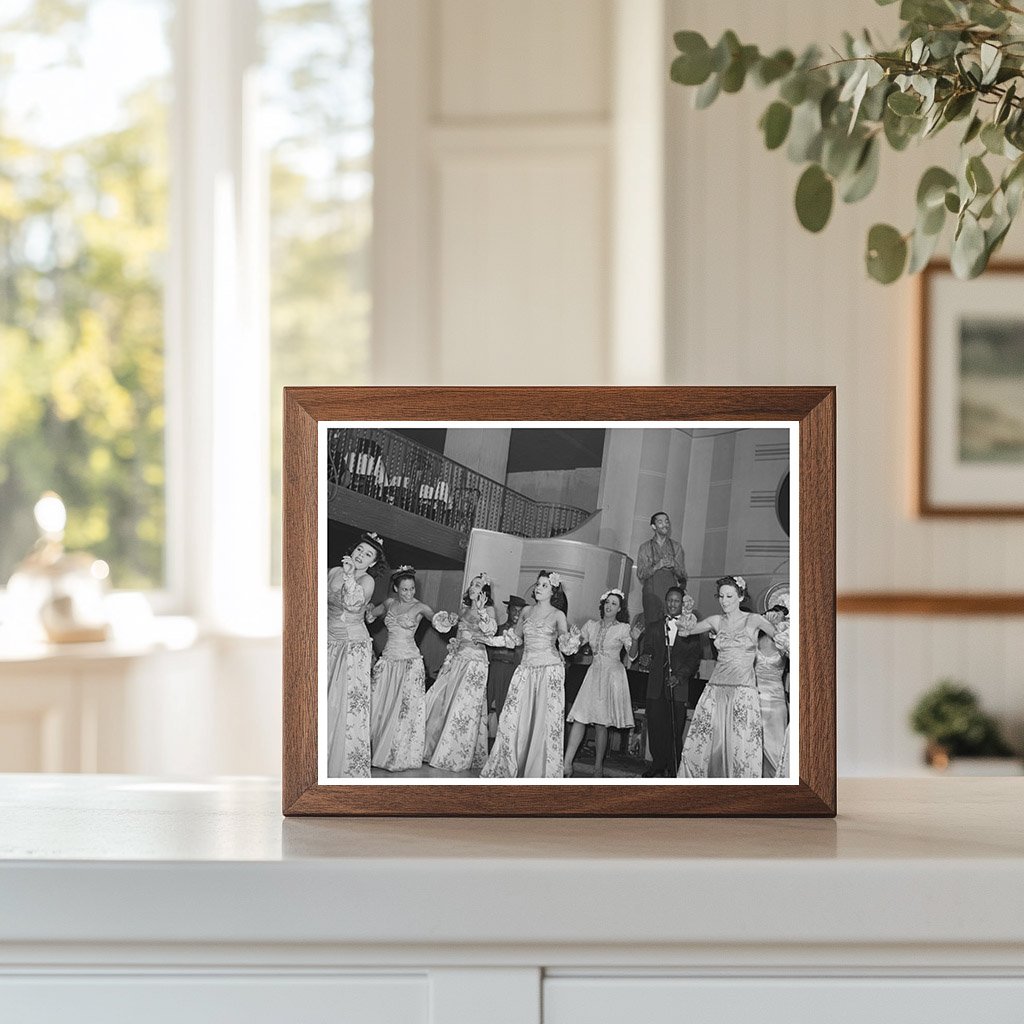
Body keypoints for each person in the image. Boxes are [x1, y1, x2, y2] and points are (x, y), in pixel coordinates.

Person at [480, 571, 579, 778]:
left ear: (553, 591)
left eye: (544, 585)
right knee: (515, 718)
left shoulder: (558, 615)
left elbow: (564, 644)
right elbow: (514, 640)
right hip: (526, 669)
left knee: (544, 721)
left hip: (549, 671)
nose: (539, 588)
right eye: (538, 584)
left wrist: (571, 641)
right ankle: (511, 766)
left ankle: (539, 771)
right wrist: (487, 640)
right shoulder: (526, 611)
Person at [677, 575, 776, 779]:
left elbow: (782, 637)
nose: (724, 601)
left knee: (740, 747)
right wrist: (686, 612)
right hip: (715, 690)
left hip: (742, 692)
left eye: (729, 596)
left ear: (740, 597)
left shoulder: (754, 620)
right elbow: (685, 632)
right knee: (707, 745)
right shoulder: (716, 621)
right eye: (721, 596)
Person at [422, 572, 497, 772]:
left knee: (463, 707)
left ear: (485, 591)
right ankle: (433, 749)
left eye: (478, 585)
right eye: (472, 584)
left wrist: (482, 612)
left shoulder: (489, 609)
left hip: (475, 663)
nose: (473, 587)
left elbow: (491, 631)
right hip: (457, 660)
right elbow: (457, 636)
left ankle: (453, 755)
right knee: (440, 699)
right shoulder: (463, 610)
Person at [563, 589, 642, 777]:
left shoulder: (623, 628)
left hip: (612, 677)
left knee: (601, 724)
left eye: (614, 603)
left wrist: (636, 639)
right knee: (580, 717)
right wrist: (572, 637)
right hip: (593, 674)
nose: (609, 606)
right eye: (607, 602)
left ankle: (598, 767)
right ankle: (567, 764)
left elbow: (632, 655)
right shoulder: (591, 625)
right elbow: (573, 647)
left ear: (619, 608)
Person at [326, 531, 386, 777]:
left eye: (368, 554)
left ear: (372, 563)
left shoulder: (366, 581)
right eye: (360, 549)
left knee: (342, 703)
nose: (361, 555)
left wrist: (351, 574)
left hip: (351, 646)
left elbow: (352, 603)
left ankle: (341, 763)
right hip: (327, 639)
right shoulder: (333, 571)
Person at [365, 566, 433, 772]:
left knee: (403, 711)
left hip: (409, 663)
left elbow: (435, 617)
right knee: (379, 704)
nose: (409, 593)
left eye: (412, 589)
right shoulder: (389, 603)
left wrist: (444, 620)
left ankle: (395, 755)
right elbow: (371, 614)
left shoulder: (421, 607)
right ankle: (373, 751)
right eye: (404, 589)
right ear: (396, 588)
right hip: (388, 661)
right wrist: (368, 612)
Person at [641, 586, 700, 778]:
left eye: (677, 601)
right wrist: (646, 657)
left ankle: (675, 768)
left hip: (678, 685)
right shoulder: (653, 626)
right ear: (665, 602)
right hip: (656, 685)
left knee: (675, 729)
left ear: (683, 604)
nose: (672, 604)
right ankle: (657, 765)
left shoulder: (691, 628)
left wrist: (680, 676)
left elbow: (693, 658)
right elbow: (648, 648)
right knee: (656, 726)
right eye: (670, 600)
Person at [755, 587, 790, 778]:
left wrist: (782, 630)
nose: (775, 619)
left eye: (779, 616)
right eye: (773, 615)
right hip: (755, 697)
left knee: (776, 746)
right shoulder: (755, 637)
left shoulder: (784, 642)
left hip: (775, 701)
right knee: (753, 744)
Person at [636, 512, 686, 627]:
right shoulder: (645, 547)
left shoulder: (676, 547)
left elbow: (682, 575)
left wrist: (674, 565)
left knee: (671, 626)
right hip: (651, 593)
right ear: (653, 526)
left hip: (671, 593)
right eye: (660, 522)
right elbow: (640, 574)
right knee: (652, 626)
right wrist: (657, 566)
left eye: (667, 521)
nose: (665, 525)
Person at [486, 595, 526, 727]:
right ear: (508, 610)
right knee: (485, 703)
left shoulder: (524, 635)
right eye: (514, 610)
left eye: (520, 611)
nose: (517, 614)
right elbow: (489, 652)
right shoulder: (497, 629)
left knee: (506, 709)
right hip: (494, 669)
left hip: (512, 671)